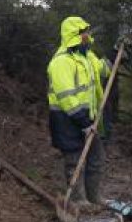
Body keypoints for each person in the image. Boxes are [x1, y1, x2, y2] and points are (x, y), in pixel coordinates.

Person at [46, 16, 111, 209]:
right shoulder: (61, 62)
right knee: (75, 162)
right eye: (85, 32)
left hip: (87, 117)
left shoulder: (86, 56)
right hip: (67, 119)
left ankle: (94, 197)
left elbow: (104, 70)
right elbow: (67, 98)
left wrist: (116, 54)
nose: (88, 35)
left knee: (96, 158)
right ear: (75, 35)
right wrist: (83, 123)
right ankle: (78, 201)